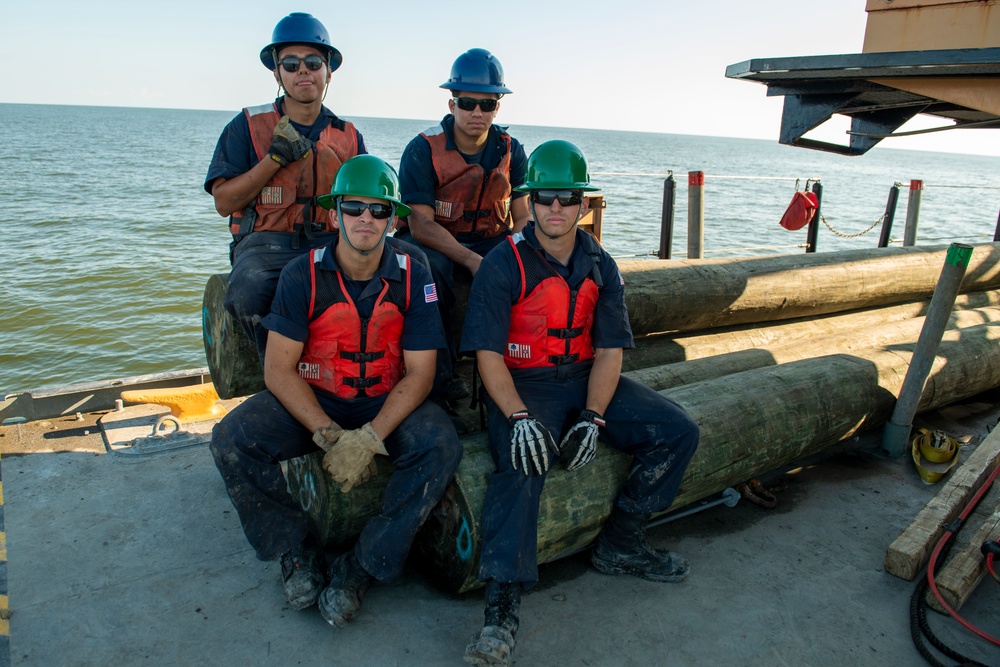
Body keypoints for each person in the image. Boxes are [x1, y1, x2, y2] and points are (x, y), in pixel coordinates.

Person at [459, 141, 700, 666]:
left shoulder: (600, 264)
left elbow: (611, 351)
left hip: (586, 379)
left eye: (567, 199)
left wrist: (594, 416)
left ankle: (622, 542)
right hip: (525, 386)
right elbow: (487, 355)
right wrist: (518, 417)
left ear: (583, 204)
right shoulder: (504, 263)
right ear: (530, 201)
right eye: (544, 198)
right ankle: (501, 602)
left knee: (678, 430)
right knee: (523, 464)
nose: (555, 209)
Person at [210, 155, 462, 628]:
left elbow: (421, 374)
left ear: (393, 220)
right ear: (333, 214)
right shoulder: (301, 274)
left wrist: (370, 438)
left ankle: (361, 566)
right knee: (232, 440)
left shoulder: (414, 274)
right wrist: (328, 434)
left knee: (440, 445)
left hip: (385, 401)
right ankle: (296, 551)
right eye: (354, 207)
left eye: (379, 210)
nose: (366, 218)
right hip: (318, 398)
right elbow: (278, 370)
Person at [204, 12, 368, 367]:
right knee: (247, 291)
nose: (303, 71)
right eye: (291, 64)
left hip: (331, 241)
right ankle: (279, 377)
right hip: (266, 244)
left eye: (313, 62)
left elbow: (369, 201)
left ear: (328, 71)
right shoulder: (247, 125)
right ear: (277, 73)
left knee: (408, 266)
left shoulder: (349, 135)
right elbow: (223, 202)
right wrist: (273, 159)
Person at [396, 48, 531, 405]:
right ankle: (440, 380)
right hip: (435, 242)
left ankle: (523, 366)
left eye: (487, 105)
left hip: (490, 239)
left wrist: (521, 250)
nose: (477, 113)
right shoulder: (422, 149)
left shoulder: (510, 149)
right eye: (468, 103)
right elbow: (421, 224)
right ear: (452, 103)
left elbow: (523, 215)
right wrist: (472, 261)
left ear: (497, 107)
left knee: (527, 266)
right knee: (433, 271)